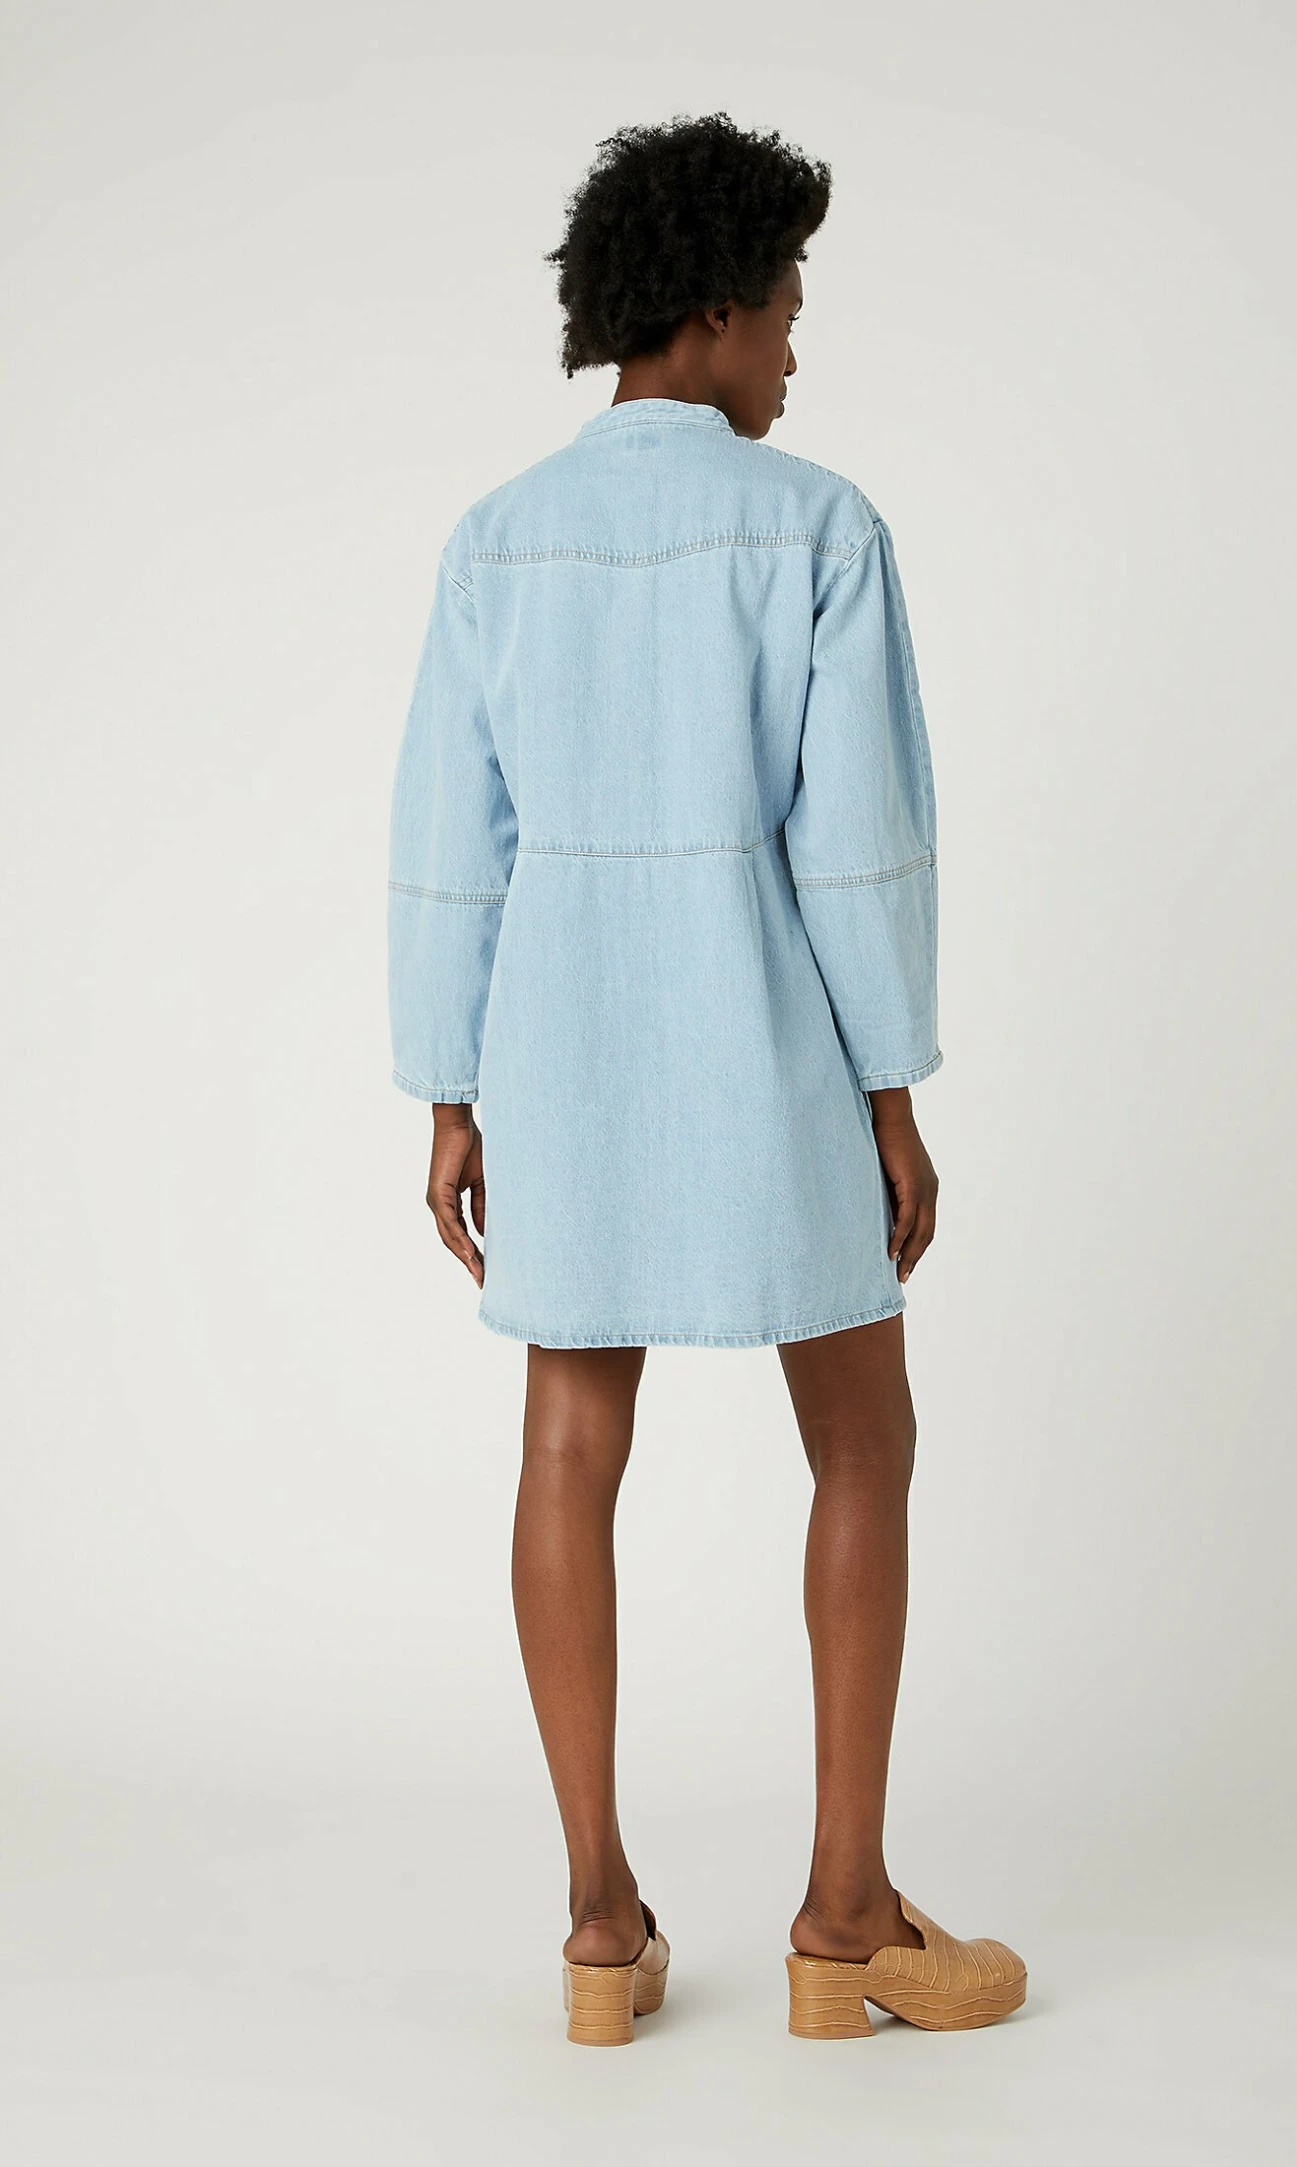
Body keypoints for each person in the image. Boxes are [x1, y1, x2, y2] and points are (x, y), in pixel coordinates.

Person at [387, 113, 1025, 2045]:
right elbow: (860, 844)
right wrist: (894, 1091)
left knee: (567, 1446)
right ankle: (845, 1915)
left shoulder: (498, 538)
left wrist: (449, 1088)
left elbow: (452, 840)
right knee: (865, 1435)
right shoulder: (818, 527)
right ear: (718, 307)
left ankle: (601, 1923)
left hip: (563, 1044)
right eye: (790, 310)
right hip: (772, 1039)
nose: (799, 353)